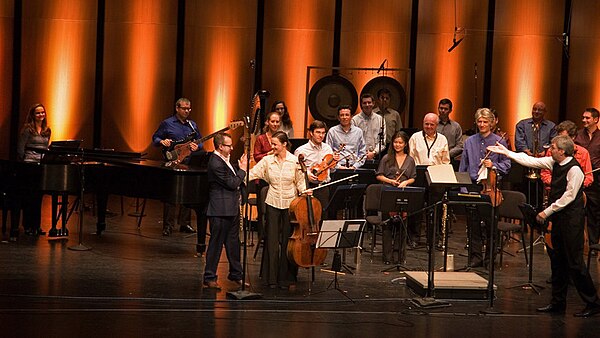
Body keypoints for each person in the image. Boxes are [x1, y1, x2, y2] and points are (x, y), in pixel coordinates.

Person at [487, 136, 600, 317]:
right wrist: (507, 153)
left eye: (553, 147)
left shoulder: (574, 170)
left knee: (575, 263)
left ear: (562, 151)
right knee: (557, 262)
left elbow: (569, 197)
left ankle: (593, 303)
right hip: (559, 219)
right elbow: (531, 160)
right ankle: (557, 303)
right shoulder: (554, 162)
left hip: (572, 221)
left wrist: (546, 212)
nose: (550, 150)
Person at [248, 131, 305, 290]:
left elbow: (300, 182)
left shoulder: (294, 161)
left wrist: (305, 190)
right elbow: (253, 173)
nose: (272, 147)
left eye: (275, 144)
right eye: (272, 144)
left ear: (284, 144)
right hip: (273, 202)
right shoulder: (267, 160)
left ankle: (287, 278)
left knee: (288, 242)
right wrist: (239, 173)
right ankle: (270, 278)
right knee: (272, 241)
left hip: (290, 205)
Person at [459, 108, 511, 267]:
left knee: (491, 226)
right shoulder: (469, 141)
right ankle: (475, 258)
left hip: (490, 186)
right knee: (473, 224)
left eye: (485, 122)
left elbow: (507, 165)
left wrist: (493, 164)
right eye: (479, 121)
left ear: (491, 123)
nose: (482, 124)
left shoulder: (499, 141)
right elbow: (463, 167)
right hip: (473, 186)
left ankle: (489, 259)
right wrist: (463, 188)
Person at [152, 98, 201, 236]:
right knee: (170, 195)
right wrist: (162, 141)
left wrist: (196, 146)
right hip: (171, 162)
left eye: (189, 109)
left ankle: (184, 223)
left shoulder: (192, 125)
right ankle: (168, 225)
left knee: (188, 193)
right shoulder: (167, 123)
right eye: (184, 108)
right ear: (177, 108)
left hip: (188, 162)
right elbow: (155, 139)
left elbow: (200, 141)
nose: (187, 111)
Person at [202, 133, 244, 290]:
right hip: (220, 210)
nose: (232, 148)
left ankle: (236, 274)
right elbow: (232, 183)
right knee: (216, 244)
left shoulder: (225, 160)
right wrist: (242, 170)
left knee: (233, 244)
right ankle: (209, 277)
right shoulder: (215, 163)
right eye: (229, 145)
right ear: (220, 146)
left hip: (231, 208)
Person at [376, 131, 417, 263]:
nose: (397, 145)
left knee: (402, 226)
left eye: (400, 142)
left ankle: (400, 257)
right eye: (395, 142)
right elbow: (379, 175)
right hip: (388, 192)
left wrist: (405, 182)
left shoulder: (410, 160)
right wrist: (390, 181)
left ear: (405, 144)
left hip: (404, 193)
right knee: (387, 226)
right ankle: (387, 257)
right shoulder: (386, 158)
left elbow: (413, 178)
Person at [14, 103, 51, 238]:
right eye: (38, 113)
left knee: (38, 197)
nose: (41, 115)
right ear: (32, 115)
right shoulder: (27, 129)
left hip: (40, 165)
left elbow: (46, 148)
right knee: (28, 197)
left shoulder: (47, 130)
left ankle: (37, 225)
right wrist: (24, 162)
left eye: (42, 112)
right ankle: (28, 225)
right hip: (29, 164)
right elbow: (20, 148)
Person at [294, 120, 336, 208]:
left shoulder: (327, 148)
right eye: (318, 132)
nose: (321, 135)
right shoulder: (301, 150)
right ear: (311, 133)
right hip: (309, 188)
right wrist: (307, 174)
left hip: (324, 187)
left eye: (323, 133)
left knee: (323, 217)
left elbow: (332, 170)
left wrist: (334, 163)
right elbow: (296, 171)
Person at [574, 108, 600, 248]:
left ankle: (594, 245)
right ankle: (577, 244)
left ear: (596, 120)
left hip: (596, 180)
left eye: (587, 118)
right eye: (583, 117)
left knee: (594, 214)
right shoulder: (577, 135)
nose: (584, 120)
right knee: (577, 213)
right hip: (579, 177)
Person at [326, 105, 367, 169]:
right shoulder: (332, 131)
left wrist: (354, 166)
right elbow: (328, 153)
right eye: (342, 115)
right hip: (337, 169)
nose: (344, 117)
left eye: (347, 115)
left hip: (354, 168)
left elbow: (362, 153)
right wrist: (338, 167)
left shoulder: (358, 132)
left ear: (351, 117)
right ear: (338, 117)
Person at [352, 93, 386, 160]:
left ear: (373, 103)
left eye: (369, 102)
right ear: (361, 105)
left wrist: (373, 152)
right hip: (358, 157)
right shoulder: (355, 120)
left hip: (376, 156)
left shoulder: (380, 119)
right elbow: (353, 140)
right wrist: (362, 153)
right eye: (364, 103)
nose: (367, 105)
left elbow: (382, 142)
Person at [436, 98, 463, 165]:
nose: (443, 111)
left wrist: (447, 154)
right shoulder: (433, 124)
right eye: (441, 108)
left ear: (450, 110)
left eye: (445, 109)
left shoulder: (456, 126)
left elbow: (460, 145)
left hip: (450, 159)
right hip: (434, 159)